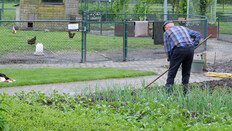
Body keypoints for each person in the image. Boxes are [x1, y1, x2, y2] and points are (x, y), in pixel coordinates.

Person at [163, 20, 201, 95]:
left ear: (166, 27)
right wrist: (194, 45)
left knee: (172, 72)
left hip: (179, 49)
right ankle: (185, 93)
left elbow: (168, 48)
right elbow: (198, 34)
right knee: (186, 72)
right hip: (190, 50)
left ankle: (168, 94)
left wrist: (170, 59)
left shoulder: (166, 32)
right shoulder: (183, 28)